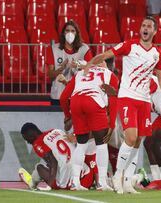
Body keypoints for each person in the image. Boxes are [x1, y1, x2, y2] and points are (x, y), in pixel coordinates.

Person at [86, 16, 161, 194]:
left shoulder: (157, 53)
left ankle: (127, 181)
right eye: (143, 25)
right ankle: (118, 176)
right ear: (140, 29)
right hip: (127, 97)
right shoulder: (130, 45)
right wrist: (89, 64)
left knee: (138, 141)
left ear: (155, 31)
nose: (145, 28)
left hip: (144, 100)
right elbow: (106, 55)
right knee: (131, 137)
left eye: (149, 26)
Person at [60, 61, 119, 191]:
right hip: (93, 101)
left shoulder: (81, 73)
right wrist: (112, 123)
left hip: (76, 102)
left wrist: (67, 115)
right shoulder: (110, 75)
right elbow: (113, 100)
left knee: (81, 145)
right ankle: (102, 182)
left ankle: (75, 182)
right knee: (101, 144)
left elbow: (63, 98)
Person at [18, 123, 98, 190]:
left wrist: (49, 185)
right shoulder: (56, 131)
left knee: (39, 167)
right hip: (88, 176)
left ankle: (32, 182)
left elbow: (53, 162)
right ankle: (98, 181)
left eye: (27, 139)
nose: (28, 142)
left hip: (71, 185)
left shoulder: (37, 144)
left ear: (31, 136)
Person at [47, 20, 93, 105]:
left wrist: (79, 65)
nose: (70, 33)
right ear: (63, 33)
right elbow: (50, 74)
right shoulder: (53, 49)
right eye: (67, 30)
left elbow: (91, 69)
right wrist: (61, 68)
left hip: (78, 94)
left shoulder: (84, 49)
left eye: (72, 31)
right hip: (58, 95)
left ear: (77, 33)